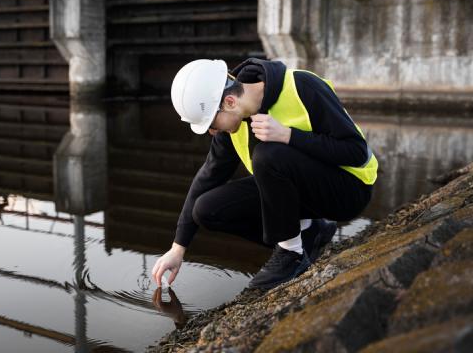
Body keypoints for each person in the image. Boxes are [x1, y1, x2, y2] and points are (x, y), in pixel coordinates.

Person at [151, 58, 378, 290]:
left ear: (229, 101)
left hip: (349, 190)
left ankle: (292, 255)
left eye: (211, 123)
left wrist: (289, 135)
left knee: (268, 155)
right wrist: (178, 248)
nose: (212, 131)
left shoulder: (302, 86)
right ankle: (309, 232)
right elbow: (208, 176)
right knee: (207, 210)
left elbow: (356, 152)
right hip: (306, 195)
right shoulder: (234, 123)